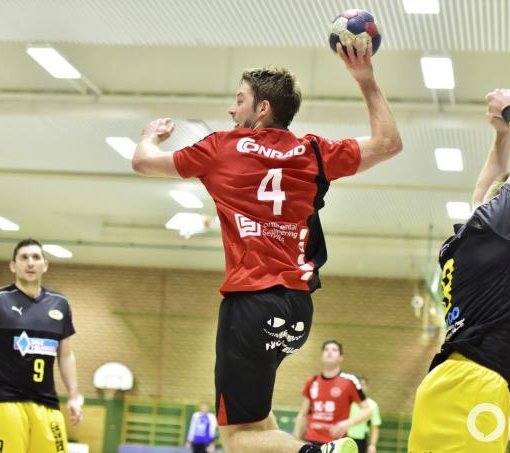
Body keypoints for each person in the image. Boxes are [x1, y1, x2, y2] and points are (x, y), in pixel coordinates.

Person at [131, 36, 402, 453]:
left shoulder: (221, 147)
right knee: (259, 422)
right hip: (297, 309)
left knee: (238, 438)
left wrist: (150, 136)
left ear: (262, 108)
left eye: (239, 99)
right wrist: (365, 78)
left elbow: (143, 163)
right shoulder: (313, 151)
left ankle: (320, 452)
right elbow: (388, 144)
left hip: (251, 303)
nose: (230, 108)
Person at [407, 89, 510, 453]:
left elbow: (483, 187)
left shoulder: (474, 234)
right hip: (477, 384)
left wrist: (500, 135)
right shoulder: (495, 232)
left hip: (443, 381)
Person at [0, 238, 83, 453]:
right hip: (5, 404)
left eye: (36, 257)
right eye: (24, 257)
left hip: (47, 406)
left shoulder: (60, 303)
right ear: (13, 266)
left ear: (45, 265)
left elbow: (66, 355)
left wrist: (74, 396)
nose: (30, 263)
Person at [294, 341, 373, 447]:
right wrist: (296, 438)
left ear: (341, 357)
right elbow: (303, 414)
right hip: (310, 440)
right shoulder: (312, 381)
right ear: (321, 356)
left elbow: (367, 410)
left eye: (334, 350)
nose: (329, 352)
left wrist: (347, 423)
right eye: (326, 349)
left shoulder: (349, 381)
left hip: (336, 443)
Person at [347, 376, 381, 453]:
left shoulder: (372, 405)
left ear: (366, 387)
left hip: (361, 440)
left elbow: (375, 427)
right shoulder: (346, 402)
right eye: (358, 385)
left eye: (362, 385)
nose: (360, 387)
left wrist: (372, 445)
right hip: (345, 438)